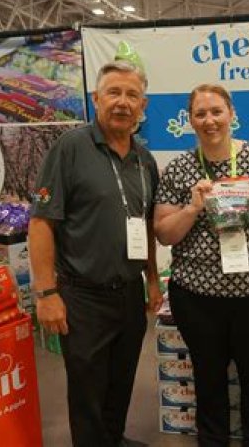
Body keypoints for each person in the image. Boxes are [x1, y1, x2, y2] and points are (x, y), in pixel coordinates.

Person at [28, 60, 162, 447]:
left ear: (143, 106)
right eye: (113, 92)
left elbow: (146, 225)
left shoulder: (145, 160)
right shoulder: (70, 148)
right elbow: (41, 222)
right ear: (96, 99)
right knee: (88, 391)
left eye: (132, 95)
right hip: (82, 296)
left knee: (121, 380)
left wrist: (152, 280)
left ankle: (113, 439)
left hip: (129, 294)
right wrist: (46, 293)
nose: (123, 102)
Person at [154, 83, 249, 446]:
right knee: (208, 381)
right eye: (200, 113)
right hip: (197, 299)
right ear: (190, 120)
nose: (209, 120)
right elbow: (164, 234)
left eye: (216, 111)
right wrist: (192, 208)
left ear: (231, 113)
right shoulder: (179, 168)